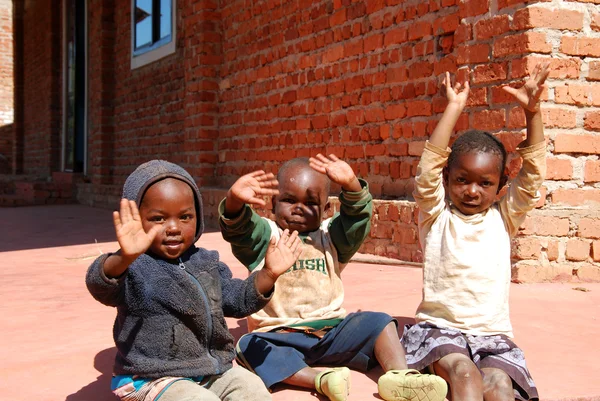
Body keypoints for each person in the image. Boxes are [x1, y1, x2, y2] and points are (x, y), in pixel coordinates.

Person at [218, 155, 447, 401]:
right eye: (289, 200)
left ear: (327, 209)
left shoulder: (332, 238)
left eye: (311, 203)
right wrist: (233, 202)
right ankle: (320, 379)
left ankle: (401, 377)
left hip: (331, 333)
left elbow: (356, 221)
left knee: (380, 322)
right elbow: (239, 229)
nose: (299, 208)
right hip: (280, 335)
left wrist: (352, 186)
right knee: (248, 345)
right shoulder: (266, 236)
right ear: (273, 203)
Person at [86, 159, 303, 401]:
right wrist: (123, 257)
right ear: (136, 219)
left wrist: (269, 274)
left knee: (252, 388)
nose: (173, 228)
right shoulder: (133, 267)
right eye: (158, 219)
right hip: (153, 378)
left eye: (185, 217)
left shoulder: (206, 262)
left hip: (209, 371)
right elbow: (100, 285)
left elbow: (236, 300)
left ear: (197, 217)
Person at [403, 63, 550, 401]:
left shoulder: (504, 219)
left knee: (499, 386)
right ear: (448, 179)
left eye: (485, 183)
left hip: (493, 336)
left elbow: (532, 177)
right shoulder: (436, 215)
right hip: (440, 332)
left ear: (500, 185)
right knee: (465, 373)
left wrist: (534, 113)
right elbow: (427, 171)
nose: (472, 191)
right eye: (462, 180)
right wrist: (454, 107)